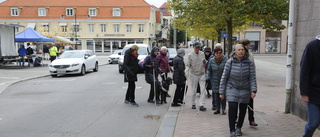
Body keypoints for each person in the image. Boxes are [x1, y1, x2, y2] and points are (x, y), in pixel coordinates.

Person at [219, 44, 257, 137]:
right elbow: (224, 77)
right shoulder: (230, 62)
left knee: (243, 109)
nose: (241, 51)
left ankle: (239, 127)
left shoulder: (249, 62)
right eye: (239, 50)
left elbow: (252, 77)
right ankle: (232, 130)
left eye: (242, 50)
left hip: (245, 89)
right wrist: (221, 91)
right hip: (232, 88)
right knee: (232, 107)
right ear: (235, 51)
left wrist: (253, 90)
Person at [300, 38, 320, 137]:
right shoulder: (312, 46)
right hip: (314, 93)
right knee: (313, 123)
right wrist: (304, 92)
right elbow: (304, 69)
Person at [239, 39, 258, 126]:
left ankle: (251, 119)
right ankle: (237, 119)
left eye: (249, 45)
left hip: (248, 82)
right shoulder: (236, 55)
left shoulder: (250, 55)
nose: (248, 47)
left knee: (250, 101)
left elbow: (253, 68)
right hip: (239, 83)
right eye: (247, 45)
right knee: (238, 102)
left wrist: (253, 85)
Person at [186, 42, 207, 111]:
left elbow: (204, 62)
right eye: (196, 47)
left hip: (202, 73)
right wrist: (186, 72)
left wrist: (205, 63)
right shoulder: (190, 55)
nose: (197, 49)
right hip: (194, 74)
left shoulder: (202, 54)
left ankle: (202, 104)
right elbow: (188, 65)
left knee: (203, 90)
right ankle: (193, 103)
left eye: (199, 47)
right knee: (194, 90)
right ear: (194, 47)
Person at [206, 47, 228, 115]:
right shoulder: (212, 60)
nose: (218, 54)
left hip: (223, 79)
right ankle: (217, 108)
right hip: (215, 79)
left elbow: (228, 69)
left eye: (220, 53)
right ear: (214, 53)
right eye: (217, 53)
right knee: (216, 94)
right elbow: (209, 69)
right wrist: (207, 77)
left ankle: (223, 109)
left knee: (223, 95)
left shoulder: (225, 59)